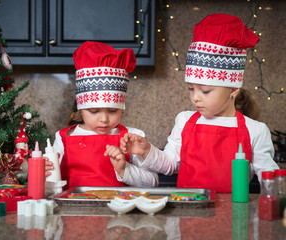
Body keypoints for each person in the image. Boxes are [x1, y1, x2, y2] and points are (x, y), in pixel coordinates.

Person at [120, 13, 279, 193]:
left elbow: (270, 178)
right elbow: (170, 164)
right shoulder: (184, 120)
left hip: (234, 216)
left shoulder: (255, 130)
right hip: (188, 212)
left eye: (205, 91)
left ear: (233, 90)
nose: (195, 97)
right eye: (191, 88)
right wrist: (147, 150)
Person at [45, 41, 159, 189]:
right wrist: (44, 174)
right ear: (81, 109)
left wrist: (124, 169)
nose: (104, 119)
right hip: (74, 210)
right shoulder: (64, 138)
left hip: (120, 210)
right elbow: (52, 187)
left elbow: (153, 182)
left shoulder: (131, 137)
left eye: (113, 111)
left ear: (122, 108)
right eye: (94, 111)